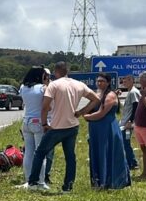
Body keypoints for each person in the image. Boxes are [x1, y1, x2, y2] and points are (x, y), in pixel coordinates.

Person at [28, 62, 101, 192]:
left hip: (56, 126)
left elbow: (45, 107)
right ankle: (68, 186)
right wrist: (81, 112)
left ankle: (33, 181)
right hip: (72, 125)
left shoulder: (54, 85)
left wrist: (44, 124)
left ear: (56, 72)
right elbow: (96, 99)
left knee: (40, 153)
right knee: (70, 157)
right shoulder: (79, 84)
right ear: (67, 71)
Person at [83, 74, 130, 189]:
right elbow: (88, 107)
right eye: (98, 81)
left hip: (107, 128)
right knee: (97, 152)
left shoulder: (110, 95)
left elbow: (101, 113)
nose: (100, 83)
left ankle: (111, 181)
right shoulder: (98, 94)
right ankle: (98, 181)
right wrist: (79, 113)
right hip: (96, 129)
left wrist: (87, 117)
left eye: (102, 81)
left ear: (108, 82)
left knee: (108, 152)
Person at [18, 66, 53, 188]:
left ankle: (28, 180)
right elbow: (48, 107)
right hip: (39, 122)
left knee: (28, 152)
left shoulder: (23, 88)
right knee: (40, 153)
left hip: (26, 122)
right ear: (42, 76)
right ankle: (40, 181)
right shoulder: (43, 88)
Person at [118, 75, 140, 171]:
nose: (123, 82)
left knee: (126, 143)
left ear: (131, 80)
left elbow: (136, 106)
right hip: (124, 123)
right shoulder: (130, 92)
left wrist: (131, 121)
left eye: (125, 80)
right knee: (124, 142)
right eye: (123, 80)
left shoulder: (133, 92)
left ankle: (133, 163)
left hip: (127, 124)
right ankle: (129, 162)